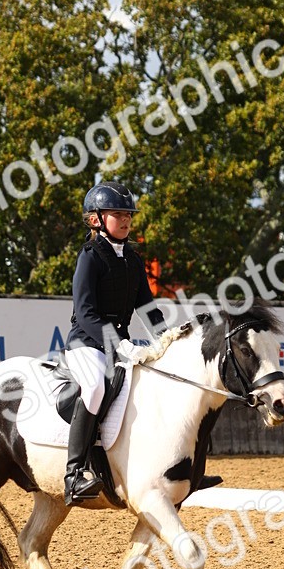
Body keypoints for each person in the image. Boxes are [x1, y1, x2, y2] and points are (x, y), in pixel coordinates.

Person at [63, 180, 167, 505]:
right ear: (96, 219)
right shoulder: (90, 256)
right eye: (117, 213)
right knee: (94, 387)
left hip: (120, 345)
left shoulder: (134, 260)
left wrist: (168, 338)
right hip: (87, 343)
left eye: (128, 214)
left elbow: (147, 308)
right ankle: (74, 474)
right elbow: (85, 312)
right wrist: (118, 343)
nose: (125, 219)